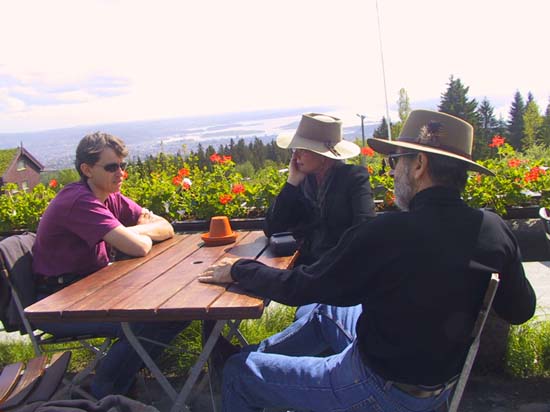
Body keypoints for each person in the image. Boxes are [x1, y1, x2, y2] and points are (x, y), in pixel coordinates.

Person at [199, 110, 537, 412]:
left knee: (238, 374)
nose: (391, 173)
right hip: (439, 385)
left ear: (419, 165)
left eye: (395, 162)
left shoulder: (388, 231)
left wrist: (239, 268)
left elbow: (303, 287)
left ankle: (243, 362)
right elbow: (520, 311)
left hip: (377, 387)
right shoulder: (494, 228)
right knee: (327, 311)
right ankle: (259, 352)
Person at [32, 132, 188, 399]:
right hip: (57, 302)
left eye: (122, 165)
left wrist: (134, 231)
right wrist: (137, 235)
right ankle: (105, 393)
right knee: (145, 321)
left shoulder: (109, 196)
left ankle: (122, 381)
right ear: (87, 169)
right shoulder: (79, 201)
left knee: (180, 311)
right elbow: (139, 248)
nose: (121, 173)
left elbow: (166, 227)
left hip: (94, 289)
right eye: (111, 167)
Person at [264, 112, 376, 266]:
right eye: (294, 149)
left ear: (323, 155)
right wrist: (291, 182)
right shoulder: (303, 181)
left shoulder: (353, 178)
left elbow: (364, 229)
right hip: (307, 264)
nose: (295, 156)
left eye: (302, 150)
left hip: (342, 265)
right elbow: (272, 228)